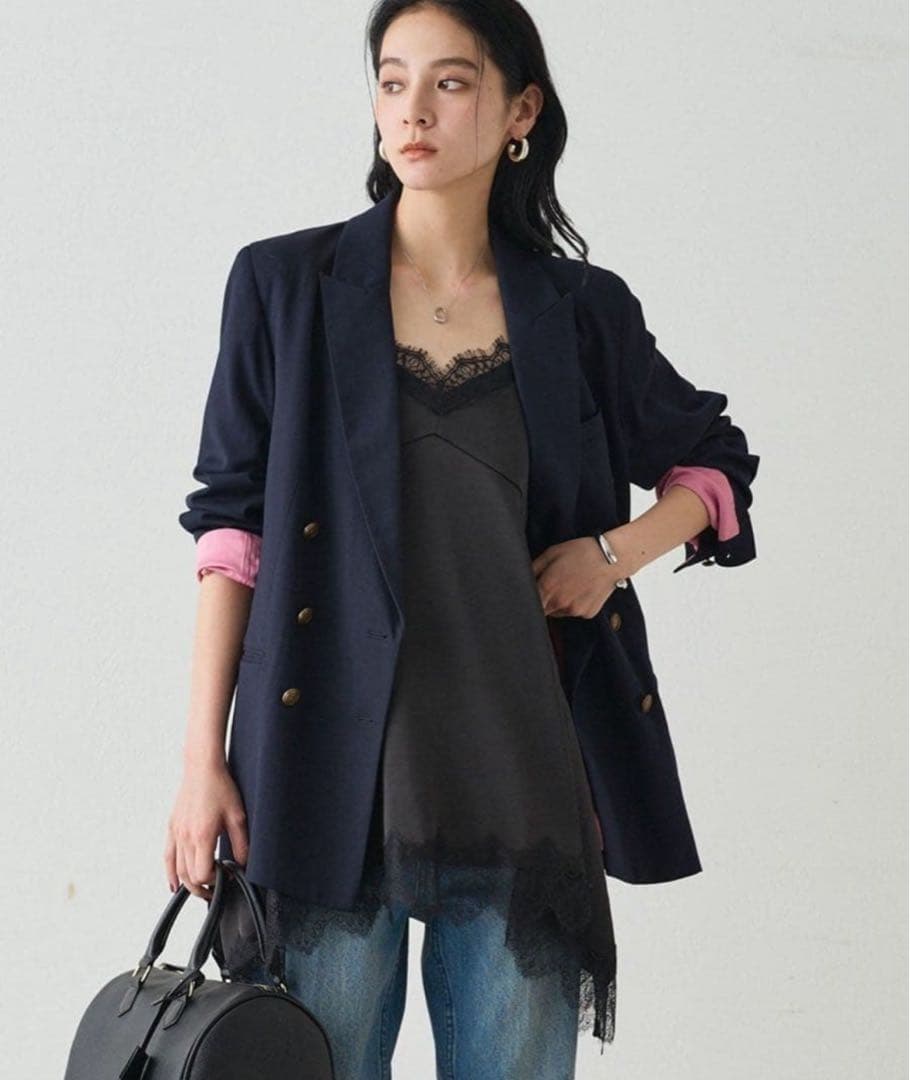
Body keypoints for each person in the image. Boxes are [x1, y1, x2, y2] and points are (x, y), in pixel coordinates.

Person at [165, 2, 759, 1078]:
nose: (413, 111)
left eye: (450, 82)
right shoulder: (285, 287)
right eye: (393, 81)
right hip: (326, 778)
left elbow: (713, 464)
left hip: (521, 780)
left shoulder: (579, 310)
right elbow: (231, 529)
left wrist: (612, 555)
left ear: (520, 110)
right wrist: (201, 758)